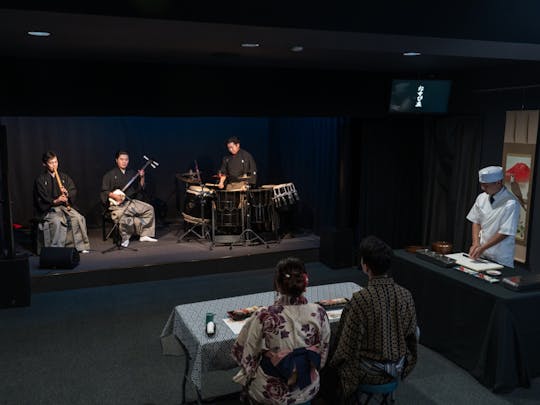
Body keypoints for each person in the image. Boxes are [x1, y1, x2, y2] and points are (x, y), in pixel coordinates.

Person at [328, 236, 417, 404]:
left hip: (369, 370)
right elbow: (412, 335)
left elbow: (347, 345)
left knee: (331, 361)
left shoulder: (361, 299)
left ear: (365, 266)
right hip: (397, 366)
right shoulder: (405, 295)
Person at [231, 257, 331, 405]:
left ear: (277, 284)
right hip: (308, 386)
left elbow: (244, 354)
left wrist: (268, 356)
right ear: (305, 282)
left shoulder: (264, 315)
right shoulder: (319, 312)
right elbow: (323, 354)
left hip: (273, 392)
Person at [33, 151, 90, 253]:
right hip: (49, 208)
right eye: (51, 163)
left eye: (56, 162)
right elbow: (41, 198)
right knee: (57, 220)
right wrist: (55, 200)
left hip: (63, 206)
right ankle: (55, 250)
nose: (54, 165)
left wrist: (67, 194)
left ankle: (80, 247)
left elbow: (73, 190)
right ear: (44, 164)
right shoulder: (40, 180)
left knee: (78, 217)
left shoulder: (64, 177)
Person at [101, 150, 157, 247]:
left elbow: (140, 188)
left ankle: (144, 234)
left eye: (126, 160)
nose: (124, 162)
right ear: (116, 160)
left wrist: (142, 177)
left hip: (130, 202)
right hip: (117, 205)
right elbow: (104, 191)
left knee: (149, 209)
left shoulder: (131, 173)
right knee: (122, 216)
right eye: (121, 159)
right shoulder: (109, 175)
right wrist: (114, 196)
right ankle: (124, 238)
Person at [466, 165, 520, 267]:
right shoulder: (481, 198)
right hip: (482, 254)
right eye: (481, 185)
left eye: (486, 186)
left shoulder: (511, 203)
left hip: (500, 257)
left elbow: (505, 232)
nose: (483, 188)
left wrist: (483, 247)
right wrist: (476, 243)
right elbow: (476, 221)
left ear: (498, 183)